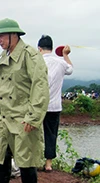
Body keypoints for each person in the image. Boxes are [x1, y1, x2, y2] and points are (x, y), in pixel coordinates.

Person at [0, 18, 49, 183]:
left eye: (2, 36)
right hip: (5, 113)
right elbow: (1, 87)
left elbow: (40, 87)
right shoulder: (3, 56)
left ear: (15, 35)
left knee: (25, 151)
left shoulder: (30, 56)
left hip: (23, 113)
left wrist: (34, 116)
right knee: (0, 149)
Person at [37, 35, 73, 172]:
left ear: (39, 48)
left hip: (38, 105)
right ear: (52, 48)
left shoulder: (37, 61)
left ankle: (34, 161)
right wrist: (65, 54)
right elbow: (70, 70)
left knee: (34, 133)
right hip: (54, 106)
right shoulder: (60, 63)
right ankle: (48, 164)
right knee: (51, 134)